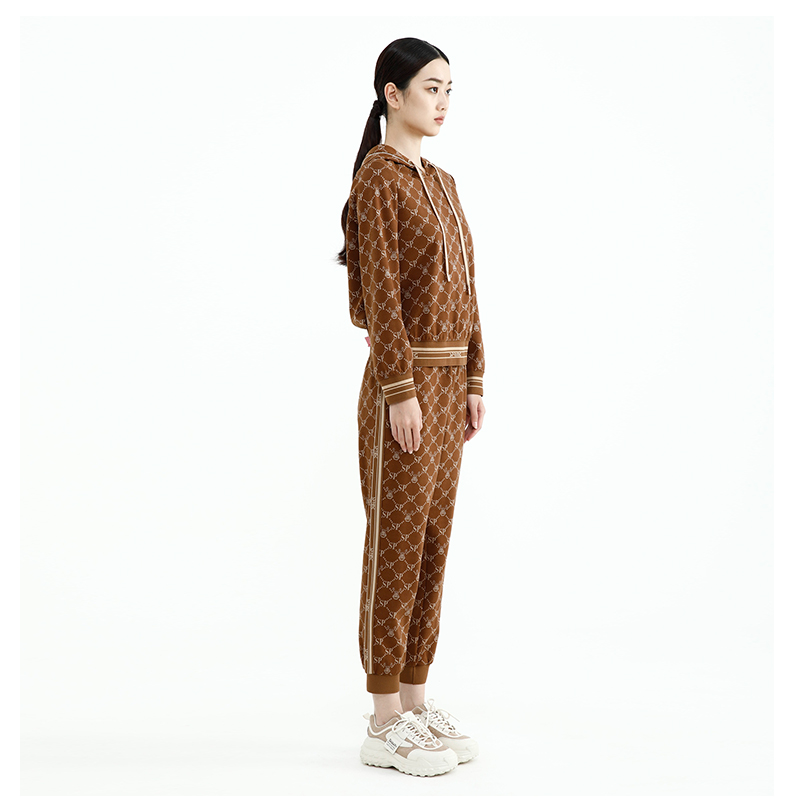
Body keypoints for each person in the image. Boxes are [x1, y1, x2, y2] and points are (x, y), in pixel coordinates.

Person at [336, 37, 486, 778]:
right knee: (394, 545)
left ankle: (417, 699)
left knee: (432, 542)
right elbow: (381, 297)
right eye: (431, 87)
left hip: (449, 387)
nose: (443, 102)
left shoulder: (445, 184)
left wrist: (475, 378)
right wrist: (400, 390)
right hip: (405, 389)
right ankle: (382, 716)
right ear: (392, 94)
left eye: (449, 89)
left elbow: (469, 288)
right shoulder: (378, 178)